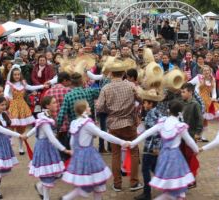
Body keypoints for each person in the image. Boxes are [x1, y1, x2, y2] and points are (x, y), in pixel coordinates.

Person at [130, 100, 199, 200]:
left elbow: (147, 132)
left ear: (168, 110)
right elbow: (189, 141)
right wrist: (197, 149)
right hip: (175, 157)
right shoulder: (179, 126)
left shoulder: (162, 123)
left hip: (163, 156)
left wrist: (133, 143)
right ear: (181, 112)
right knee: (176, 184)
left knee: (171, 186)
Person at [61, 100, 129, 200]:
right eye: (88, 106)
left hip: (79, 155)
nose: (90, 108)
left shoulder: (74, 123)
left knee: (95, 183)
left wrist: (73, 151)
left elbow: (72, 141)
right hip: (89, 156)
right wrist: (121, 142)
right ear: (84, 110)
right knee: (90, 183)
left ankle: (67, 198)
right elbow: (103, 134)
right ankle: (66, 198)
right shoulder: (87, 124)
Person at [96, 60, 143, 192]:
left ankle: (117, 184)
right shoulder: (130, 86)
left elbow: (99, 107)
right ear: (123, 73)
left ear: (111, 73)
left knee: (115, 154)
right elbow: (141, 99)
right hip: (129, 123)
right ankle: (134, 183)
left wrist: (109, 109)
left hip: (113, 125)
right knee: (134, 153)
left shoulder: (106, 88)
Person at [25, 96, 71, 200]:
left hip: (50, 148)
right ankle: (45, 196)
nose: (56, 104)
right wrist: (65, 150)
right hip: (44, 149)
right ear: (47, 106)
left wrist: (27, 135)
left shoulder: (47, 116)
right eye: (54, 102)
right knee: (47, 173)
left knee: (53, 173)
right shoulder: (44, 119)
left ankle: (39, 186)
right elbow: (51, 137)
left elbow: (37, 126)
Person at [4, 65, 47, 155]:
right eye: (15, 74)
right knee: (11, 127)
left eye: (18, 74)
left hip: (23, 107)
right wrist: (6, 97)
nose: (17, 76)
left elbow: (31, 87)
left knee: (21, 129)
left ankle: (20, 147)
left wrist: (43, 85)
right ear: (12, 75)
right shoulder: (9, 84)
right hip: (13, 106)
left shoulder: (23, 83)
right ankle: (9, 146)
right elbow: (5, 93)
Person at [134, 89, 164, 200]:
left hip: (150, 147)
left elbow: (155, 132)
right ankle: (166, 186)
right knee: (155, 168)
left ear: (150, 104)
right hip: (153, 146)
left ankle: (147, 193)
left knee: (145, 169)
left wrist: (156, 147)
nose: (143, 104)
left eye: (145, 102)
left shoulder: (152, 113)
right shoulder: (156, 112)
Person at [189, 65, 219, 141]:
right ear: (202, 71)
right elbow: (189, 84)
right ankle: (194, 134)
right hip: (197, 100)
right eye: (204, 70)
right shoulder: (198, 78)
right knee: (196, 118)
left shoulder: (212, 79)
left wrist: (214, 97)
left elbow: (214, 91)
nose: (206, 72)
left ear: (210, 71)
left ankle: (202, 136)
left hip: (207, 100)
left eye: (208, 70)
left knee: (204, 119)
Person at [44, 72, 72, 160]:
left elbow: (45, 108)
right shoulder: (68, 91)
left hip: (53, 125)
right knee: (66, 151)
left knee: (56, 150)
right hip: (66, 124)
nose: (69, 83)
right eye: (68, 81)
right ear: (64, 81)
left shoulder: (48, 91)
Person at [180, 83, 202, 187]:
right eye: (181, 92)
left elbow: (200, 120)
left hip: (191, 135)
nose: (182, 94)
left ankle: (192, 180)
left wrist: (198, 133)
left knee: (190, 158)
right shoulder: (181, 102)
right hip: (181, 136)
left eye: (184, 92)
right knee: (183, 157)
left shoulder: (195, 104)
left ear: (190, 92)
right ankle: (185, 178)